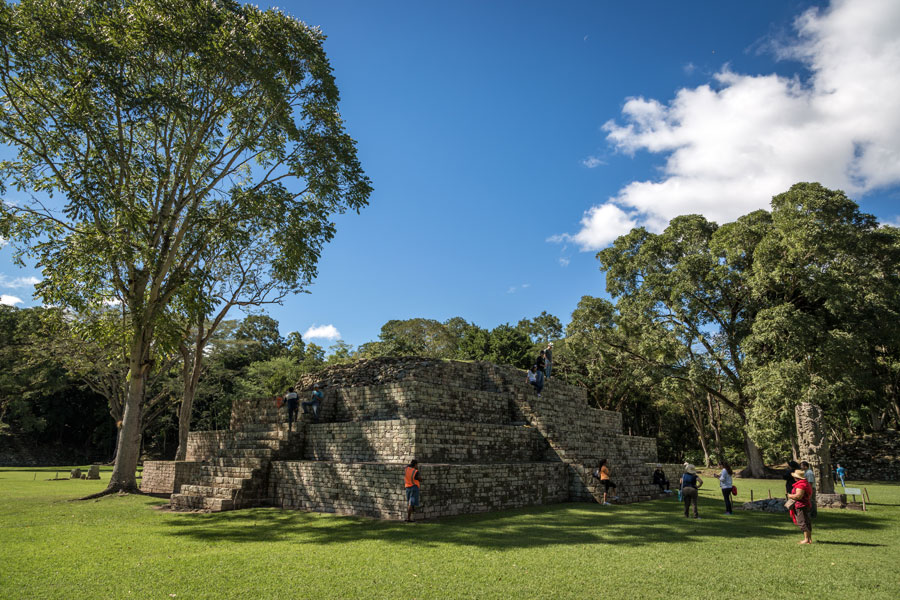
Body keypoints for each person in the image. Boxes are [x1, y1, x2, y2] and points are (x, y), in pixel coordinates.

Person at [787, 468, 813, 544]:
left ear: (796, 478)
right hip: (804, 504)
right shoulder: (804, 483)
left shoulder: (801, 485)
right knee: (806, 522)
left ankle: (806, 539)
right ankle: (809, 539)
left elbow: (798, 496)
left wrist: (790, 495)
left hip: (801, 505)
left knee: (802, 522)